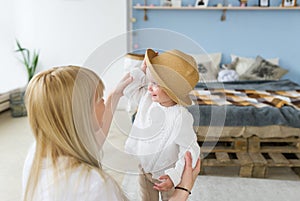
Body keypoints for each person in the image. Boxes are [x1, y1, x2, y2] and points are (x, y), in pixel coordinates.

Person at [22, 65, 200, 201]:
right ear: (83, 114)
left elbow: (190, 147)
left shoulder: (36, 153)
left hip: (163, 170)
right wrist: (182, 191)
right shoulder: (95, 186)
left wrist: (115, 94)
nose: (105, 103)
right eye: (100, 99)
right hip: (147, 169)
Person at [124, 49, 201, 201]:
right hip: (145, 169)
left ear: (172, 90)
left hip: (166, 176)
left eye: (155, 84)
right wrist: (141, 71)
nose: (149, 87)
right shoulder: (147, 99)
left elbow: (191, 149)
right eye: (149, 81)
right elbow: (128, 89)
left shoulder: (180, 117)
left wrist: (174, 176)